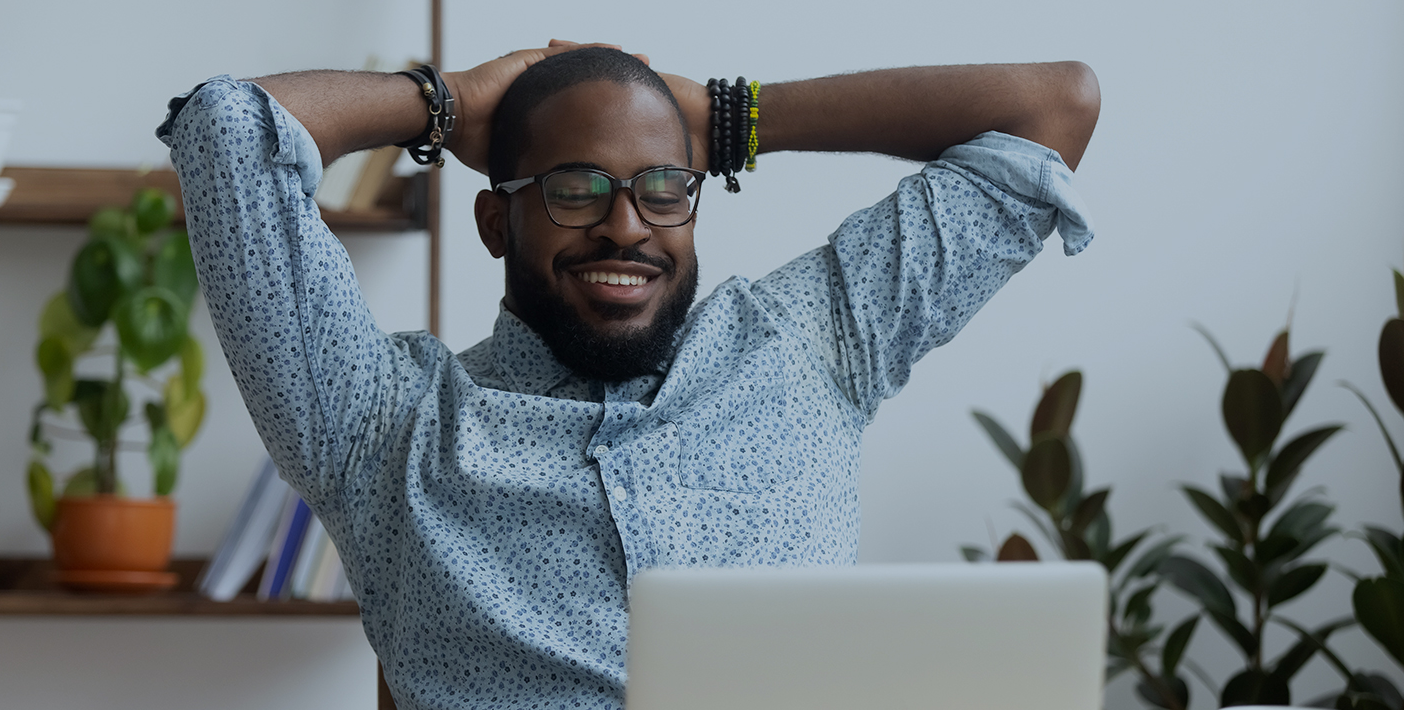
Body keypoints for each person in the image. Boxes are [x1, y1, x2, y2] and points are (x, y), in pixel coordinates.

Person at [155, 41, 1099, 710]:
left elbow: (1052, 108)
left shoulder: (811, 342)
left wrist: (726, 119)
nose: (627, 226)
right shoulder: (380, 424)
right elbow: (228, 131)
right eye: (574, 189)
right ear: (496, 224)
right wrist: (447, 104)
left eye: (662, 188)